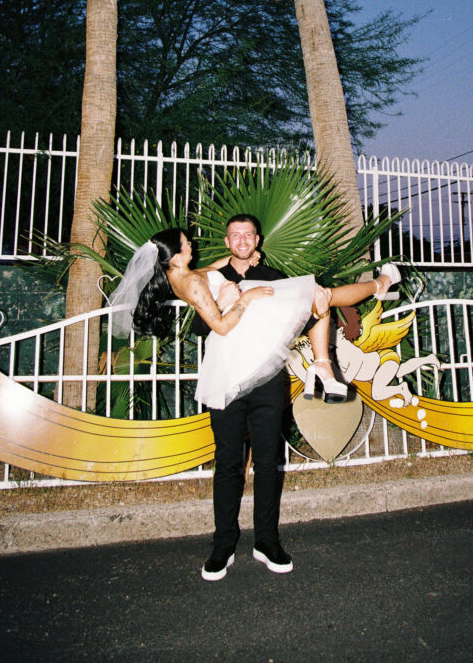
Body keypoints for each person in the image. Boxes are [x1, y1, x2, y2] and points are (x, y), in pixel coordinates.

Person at [109, 216, 399, 580]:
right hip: (227, 378)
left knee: (267, 462)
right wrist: (233, 298)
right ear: (227, 242)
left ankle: (267, 541)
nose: (242, 240)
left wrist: (313, 307)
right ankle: (222, 544)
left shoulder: (273, 275)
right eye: (235, 235)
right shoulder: (204, 279)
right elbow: (202, 326)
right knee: (228, 464)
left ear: (257, 240)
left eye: (248, 235)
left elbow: (305, 318)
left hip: (266, 379)